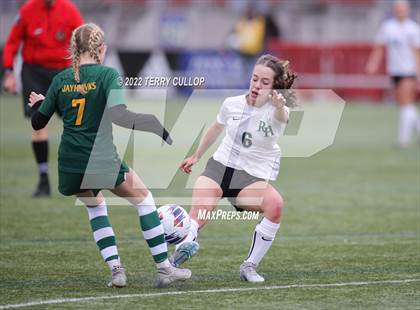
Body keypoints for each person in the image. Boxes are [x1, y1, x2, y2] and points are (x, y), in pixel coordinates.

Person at [28, 23, 191, 288]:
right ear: (101, 49)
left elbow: (38, 123)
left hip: (70, 162)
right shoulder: (107, 75)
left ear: (74, 50)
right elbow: (120, 116)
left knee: (96, 207)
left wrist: (40, 104)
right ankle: (164, 268)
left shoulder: (61, 79)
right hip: (100, 157)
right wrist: (154, 124)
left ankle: (116, 270)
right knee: (145, 200)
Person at [172, 54, 296, 283]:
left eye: (265, 82)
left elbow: (282, 116)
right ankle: (174, 260)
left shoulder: (279, 111)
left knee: (275, 205)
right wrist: (196, 156)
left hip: (250, 179)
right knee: (200, 212)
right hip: (219, 168)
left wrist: (279, 105)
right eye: (255, 78)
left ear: (275, 86)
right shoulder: (232, 103)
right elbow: (216, 127)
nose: (257, 85)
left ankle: (249, 266)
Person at [2, 0, 84, 197]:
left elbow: (83, 40)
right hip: (34, 73)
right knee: (39, 125)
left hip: (63, 73)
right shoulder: (27, 11)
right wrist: (9, 72)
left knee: (76, 123)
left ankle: (79, 176)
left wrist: (84, 69)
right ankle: (43, 179)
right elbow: (13, 41)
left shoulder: (69, 10)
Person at [366, 0, 420, 147]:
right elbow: (379, 47)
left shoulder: (413, 29)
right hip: (394, 70)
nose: (400, 11)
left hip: (408, 70)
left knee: (406, 104)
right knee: (404, 104)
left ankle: (403, 139)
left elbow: (417, 53)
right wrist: (373, 63)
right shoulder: (388, 27)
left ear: (408, 11)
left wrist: (418, 74)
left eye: (402, 9)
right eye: (398, 8)